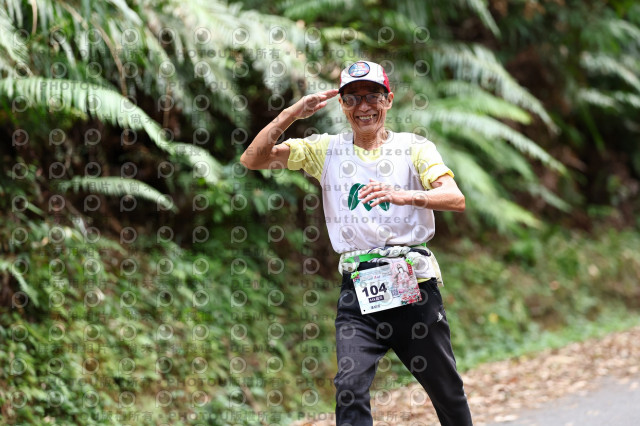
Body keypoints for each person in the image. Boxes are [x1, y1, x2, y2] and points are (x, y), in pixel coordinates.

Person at [240, 60, 473, 425]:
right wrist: (291, 114)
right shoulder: (325, 150)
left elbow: (454, 198)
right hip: (358, 288)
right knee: (349, 387)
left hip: (411, 283)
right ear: (342, 105)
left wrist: (404, 195)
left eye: (372, 96)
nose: (363, 106)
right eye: (352, 98)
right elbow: (253, 160)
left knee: (446, 390)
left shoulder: (413, 147)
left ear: (388, 100)